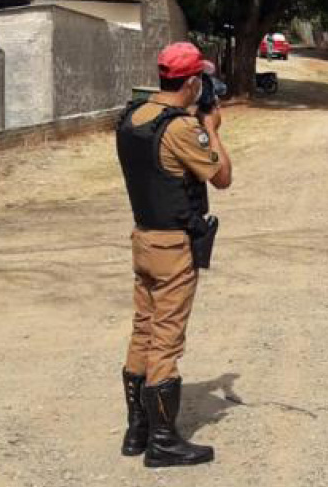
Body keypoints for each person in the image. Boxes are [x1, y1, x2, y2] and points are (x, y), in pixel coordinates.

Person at [114, 42, 232, 468]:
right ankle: (163, 442)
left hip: (143, 239)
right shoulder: (181, 128)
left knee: (142, 332)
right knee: (166, 340)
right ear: (193, 82)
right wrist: (212, 129)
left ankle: (137, 430)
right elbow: (221, 177)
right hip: (173, 247)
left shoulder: (133, 117)